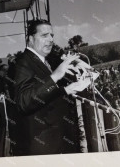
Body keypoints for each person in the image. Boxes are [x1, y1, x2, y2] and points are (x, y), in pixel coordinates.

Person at [12, 19, 84, 156]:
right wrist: (54, 76)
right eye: (44, 35)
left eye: (52, 36)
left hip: (58, 138)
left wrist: (65, 90)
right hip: (44, 143)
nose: (50, 40)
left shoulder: (44, 61)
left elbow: (45, 93)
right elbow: (23, 101)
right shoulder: (22, 63)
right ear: (30, 39)